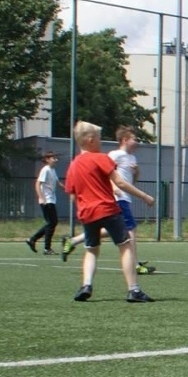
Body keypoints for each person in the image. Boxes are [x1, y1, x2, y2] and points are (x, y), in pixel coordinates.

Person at [61, 121, 157, 303]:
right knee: (126, 246)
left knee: (91, 250)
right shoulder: (100, 158)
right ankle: (134, 290)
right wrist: (144, 196)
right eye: (98, 138)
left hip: (87, 214)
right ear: (90, 140)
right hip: (107, 209)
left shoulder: (73, 165)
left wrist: (83, 208)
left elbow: (72, 194)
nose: (100, 142)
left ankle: (86, 285)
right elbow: (120, 182)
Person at [25, 152, 60, 254]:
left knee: (52, 223)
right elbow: (37, 183)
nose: (56, 159)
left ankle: (33, 240)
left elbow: (58, 182)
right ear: (47, 159)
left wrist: (69, 189)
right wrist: (41, 197)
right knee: (52, 223)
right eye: (54, 158)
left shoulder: (52, 170)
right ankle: (46, 248)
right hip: (46, 200)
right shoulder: (45, 170)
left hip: (51, 200)